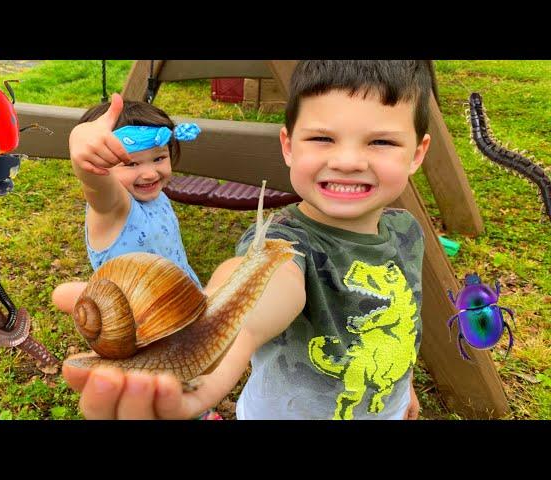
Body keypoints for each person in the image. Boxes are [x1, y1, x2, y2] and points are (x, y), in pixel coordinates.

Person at [61, 60, 433, 420]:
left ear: (417, 153)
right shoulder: (284, 243)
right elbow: (259, 305)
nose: (349, 160)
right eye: (323, 138)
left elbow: (403, 326)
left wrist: (402, 386)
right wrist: (208, 374)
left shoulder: (407, 232)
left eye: (381, 141)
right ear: (288, 145)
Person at [52, 94, 203, 313]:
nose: (150, 173)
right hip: (142, 321)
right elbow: (96, 184)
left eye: (159, 158)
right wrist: (81, 144)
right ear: (101, 167)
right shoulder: (114, 208)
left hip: (178, 297)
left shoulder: (157, 197)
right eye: (131, 163)